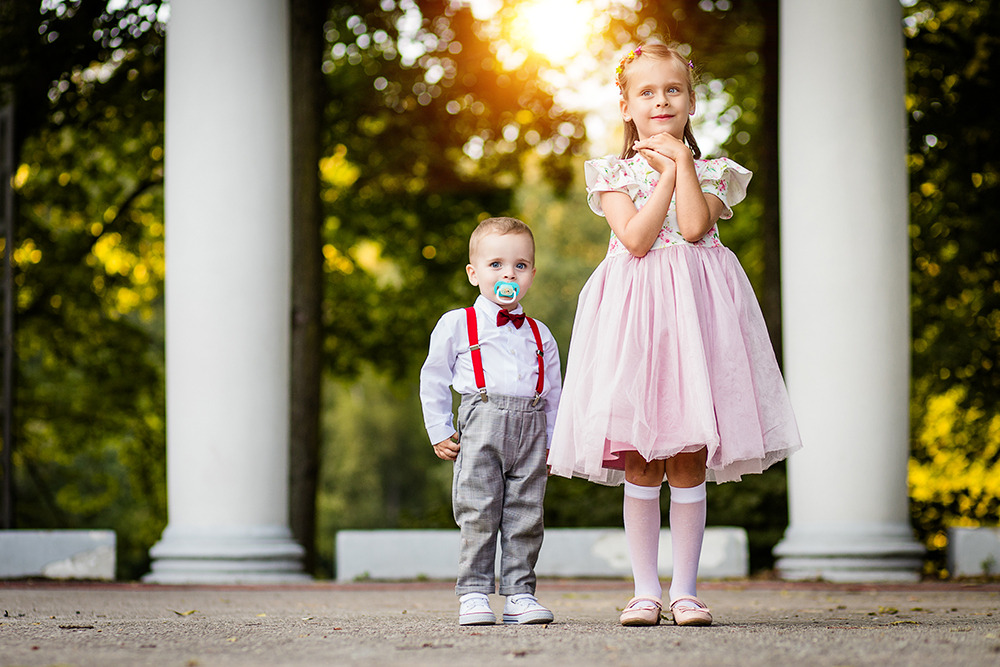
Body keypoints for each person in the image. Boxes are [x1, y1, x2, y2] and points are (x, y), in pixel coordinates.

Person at [547, 41, 802, 627]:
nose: (660, 100)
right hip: (635, 323)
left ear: (689, 101)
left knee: (687, 456)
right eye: (647, 91)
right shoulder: (611, 173)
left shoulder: (713, 171)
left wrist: (681, 164)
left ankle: (685, 591)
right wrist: (660, 174)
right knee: (640, 458)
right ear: (626, 106)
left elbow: (692, 228)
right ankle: (643, 592)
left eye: (673, 90)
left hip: (695, 320)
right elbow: (635, 239)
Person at [420, 216, 562, 626]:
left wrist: (553, 440)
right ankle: (475, 593)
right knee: (478, 511)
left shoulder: (540, 333)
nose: (508, 274)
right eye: (496, 264)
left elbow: (554, 391)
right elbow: (433, 377)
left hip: (532, 431)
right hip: (480, 426)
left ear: (532, 274)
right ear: (474, 273)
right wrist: (440, 428)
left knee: (526, 514)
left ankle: (520, 595)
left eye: (520, 265)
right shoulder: (457, 323)